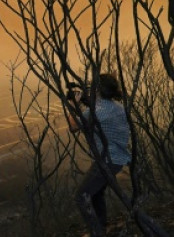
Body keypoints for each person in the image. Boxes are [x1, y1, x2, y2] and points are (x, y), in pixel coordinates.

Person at [67, 72, 131, 237]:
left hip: (107, 160)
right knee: (96, 193)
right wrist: (87, 102)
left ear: (98, 89)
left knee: (82, 195)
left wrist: (74, 105)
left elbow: (73, 127)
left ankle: (96, 232)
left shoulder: (98, 111)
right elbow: (99, 113)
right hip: (117, 159)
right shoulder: (117, 107)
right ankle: (101, 227)